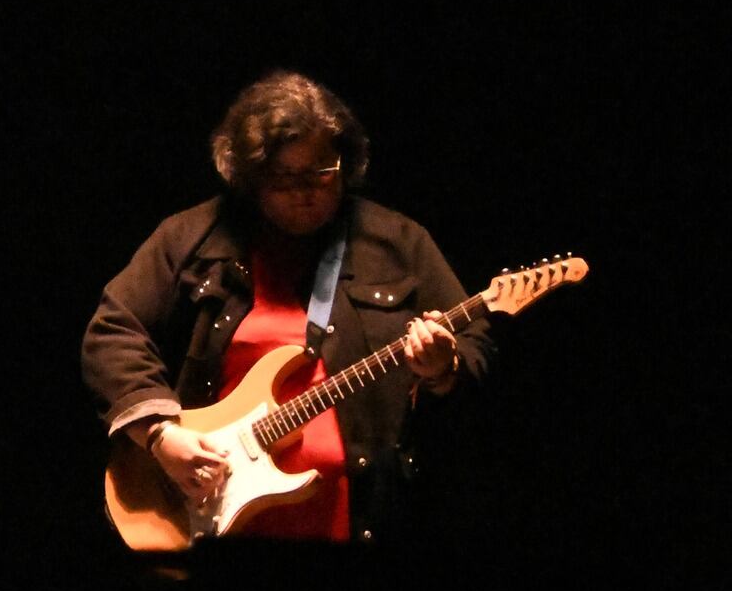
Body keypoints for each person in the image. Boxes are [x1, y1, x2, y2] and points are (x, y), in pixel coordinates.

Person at [81, 70, 491, 544]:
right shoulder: (191, 237)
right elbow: (113, 331)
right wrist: (159, 435)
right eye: (284, 177)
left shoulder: (399, 242)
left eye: (321, 172)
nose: (306, 192)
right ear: (250, 177)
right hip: (210, 521)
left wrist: (445, 367)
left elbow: (476, 342)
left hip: (360, 523)